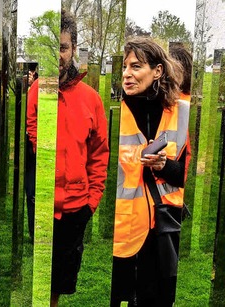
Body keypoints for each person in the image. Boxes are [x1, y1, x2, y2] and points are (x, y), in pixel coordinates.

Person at [110, 37, 190, 307]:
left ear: (157, 71)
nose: (127, 74)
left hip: (161, 227)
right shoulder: (115, 112)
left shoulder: (181, 113)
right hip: (122, 229)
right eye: (124, 66)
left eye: (136, 66)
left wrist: (163, 165)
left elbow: (188, 175)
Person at [51, 10, 109, 307]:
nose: (57, 55)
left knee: (60, 280)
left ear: (73, 49)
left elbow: (99, 154)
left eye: (62, 47)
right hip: (42, 208)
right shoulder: (36, 92)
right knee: (39, 278)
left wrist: (92, 201)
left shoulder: (91, 99)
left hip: (76, 208)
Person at [25, 64, 38, 241]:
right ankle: (34, 230)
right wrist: (36, 144)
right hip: (36, 150)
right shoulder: (37, 87)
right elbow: (31, 118)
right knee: (33, 190)